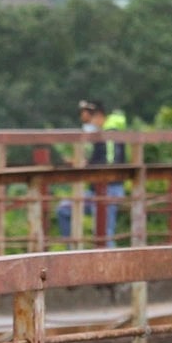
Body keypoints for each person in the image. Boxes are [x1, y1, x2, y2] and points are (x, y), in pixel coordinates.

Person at [55, 100, 128, 246]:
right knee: (64, 210)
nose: (88, 125)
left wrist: (87, 166)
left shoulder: (110, 132)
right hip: (95, 191)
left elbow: (110, 162)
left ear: (98, 116)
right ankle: (73, 255)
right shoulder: (100, 135)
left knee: (104, 234)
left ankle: (110, 266)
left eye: (89, 119)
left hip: (109, 190)